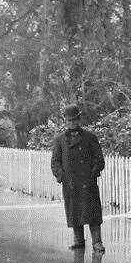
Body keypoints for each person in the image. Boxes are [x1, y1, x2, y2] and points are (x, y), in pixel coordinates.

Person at [51, 104, 105, 252]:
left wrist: (92, 173)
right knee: (74, 211)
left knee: (93, 213)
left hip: (88, 182)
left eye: (75, 119)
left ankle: (97, 242)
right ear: (65, 121)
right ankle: (78, 240)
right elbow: (55, 161)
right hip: (71, 183)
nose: (72, 123)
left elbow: (99, 159)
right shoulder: (60, 140)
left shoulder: (90, 137)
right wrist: (62, 176)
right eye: (69, 120)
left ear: (79, 119)